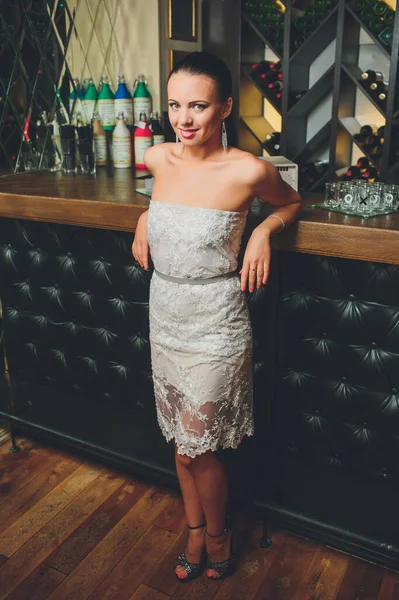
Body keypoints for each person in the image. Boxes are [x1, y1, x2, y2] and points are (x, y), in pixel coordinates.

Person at [132, 51, 301, 582]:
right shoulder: (158, 159)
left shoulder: (249, 170)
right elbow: (164, 204)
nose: (184, 118)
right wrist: (144, 217)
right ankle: (197, 529)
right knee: (180, 446)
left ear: (224, 108)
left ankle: (214, 533)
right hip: (165, 316)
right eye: (175, 105)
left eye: (198, 106)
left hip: (216, 325)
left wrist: (263, 230)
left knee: (195, 450)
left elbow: (293, 203)